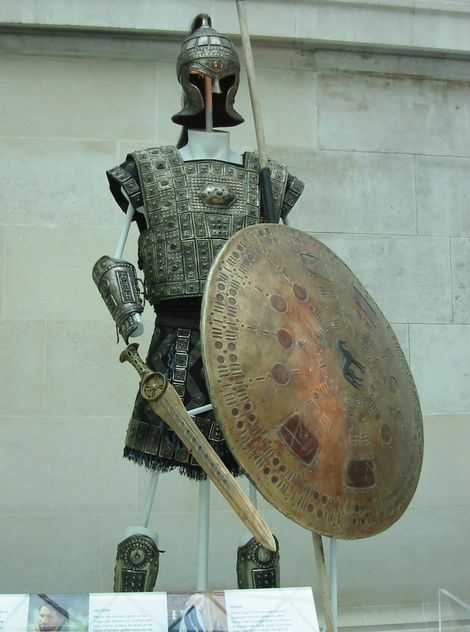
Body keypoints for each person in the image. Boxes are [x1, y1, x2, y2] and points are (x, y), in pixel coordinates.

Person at [93, 13, 303, 592]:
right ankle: (134, 593)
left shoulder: (268, 178)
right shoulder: (149, 171)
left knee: (254, 481)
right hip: (175, 340)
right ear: (194, 83)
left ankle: (260, 597)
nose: (213, 89)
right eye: (206, 79)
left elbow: (291, 270)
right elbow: (112, 261)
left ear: (229, 85)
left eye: (220, 80)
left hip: (249, 350)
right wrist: (126, 308)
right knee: (151, 496)